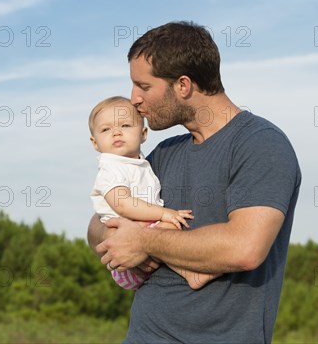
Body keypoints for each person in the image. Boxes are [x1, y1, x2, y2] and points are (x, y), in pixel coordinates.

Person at [88, 21, 301, 343]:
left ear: (183, 85)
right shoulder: (164, 153)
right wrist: (115, 234)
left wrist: (144, 242)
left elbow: (244, 248)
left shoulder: (261, 144)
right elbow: (98, 221)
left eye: (144, 87)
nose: (133, 100)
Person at [89, 95, 219, 290]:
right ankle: (191, 271)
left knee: (168, 231)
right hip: (124, 261)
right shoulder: (111, 168)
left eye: (125, 126)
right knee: (170, 227)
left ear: (143, 134)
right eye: (106, 129)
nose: (116, 132)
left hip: (134, 250)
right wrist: (163, 213)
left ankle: (188, 272)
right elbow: (122, 203)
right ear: (95, 143)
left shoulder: (139, 164)